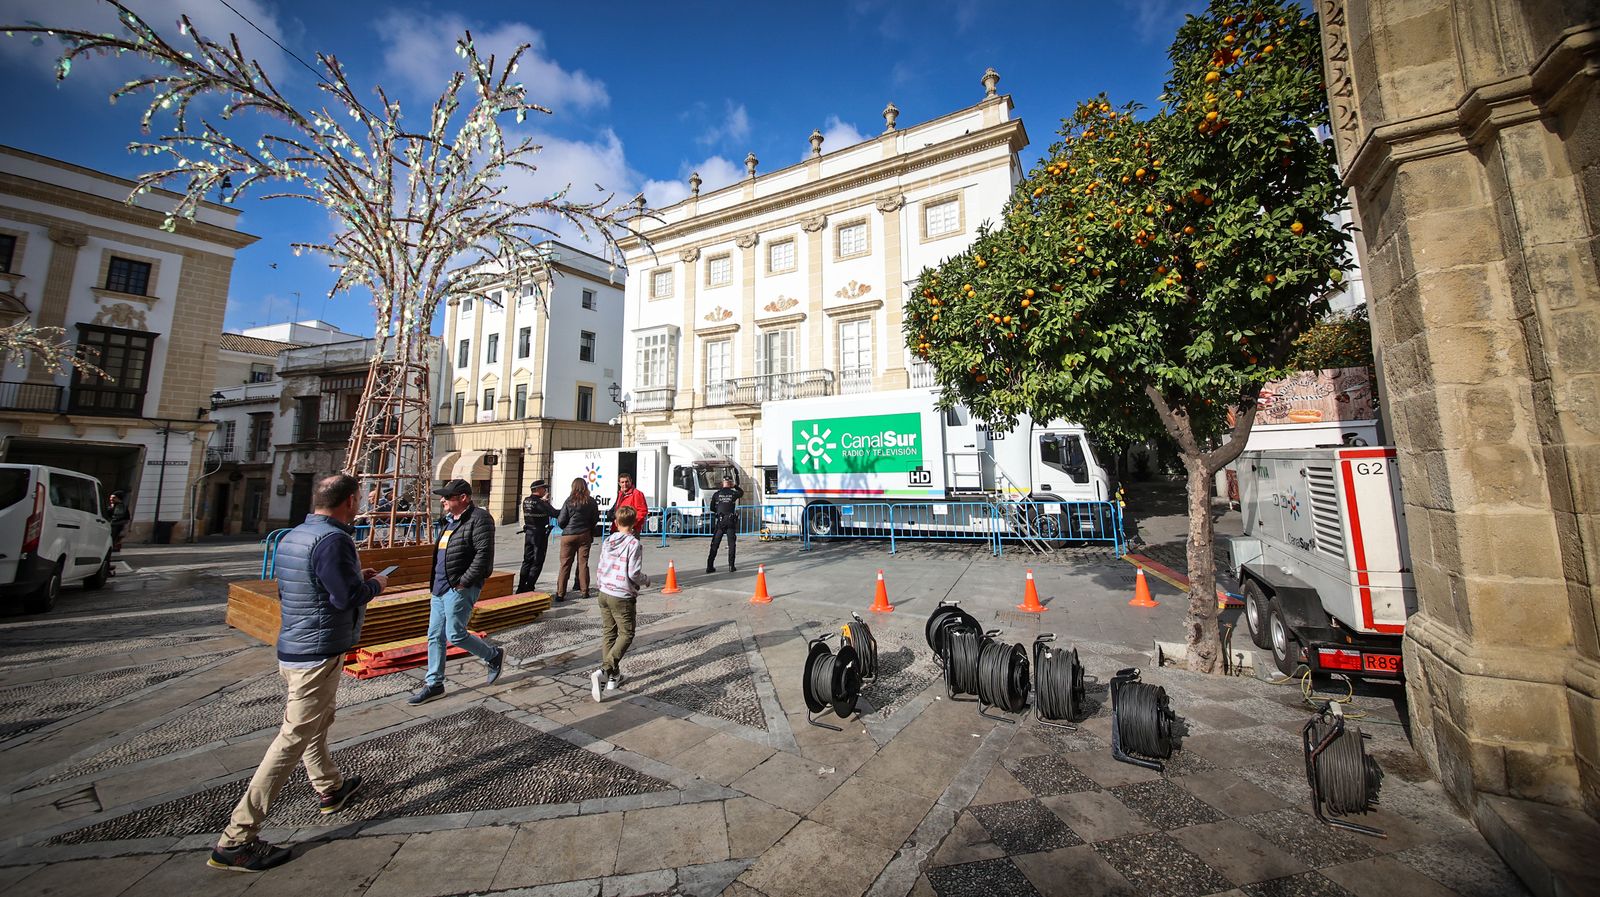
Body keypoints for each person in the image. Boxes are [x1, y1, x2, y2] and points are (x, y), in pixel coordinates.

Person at [209, 473, 390, 873]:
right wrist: (375, 585)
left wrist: (353, 579)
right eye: (359, 497)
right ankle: (237, 838)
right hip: (317, 651)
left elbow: (303, 587)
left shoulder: (294, 536)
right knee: (292, 738)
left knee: (317, 722)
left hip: (294, 644)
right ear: (350, 501)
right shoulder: (334, 540)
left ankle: (330, 787)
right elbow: (345, 598)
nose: (360, 503)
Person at [407, 479, 504, 705]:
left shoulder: (479, 518)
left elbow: (483, 556)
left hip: (459, 587)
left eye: (448, 497)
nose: (443, 500)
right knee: (434, 635)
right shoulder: (449, 521)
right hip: (440, 587)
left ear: (463, 498)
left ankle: (493, 655)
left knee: (455, 634)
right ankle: (434, 683)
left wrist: (464, 582)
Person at [591, 504, 651, 702]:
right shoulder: (634, 544)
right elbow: (633, 573)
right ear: (634, 524)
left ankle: (612, 676)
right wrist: (645, 580)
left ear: (616, 522)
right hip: (621, 594)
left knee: (609, 633)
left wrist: (601, 584)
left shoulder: (608, 541)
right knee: (626, 633)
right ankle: (605, 670)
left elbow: (601, 565)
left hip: (604, 591)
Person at [554, 478, 599, 602]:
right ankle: (584, 591)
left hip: (568, 535)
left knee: (565, 564)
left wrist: (567, 527)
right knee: (583, 563)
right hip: (584, 534)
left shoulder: (569, 501)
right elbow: (595, 519)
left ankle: (560, 593)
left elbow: (561, 521)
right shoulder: (591, 501)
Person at [517, 480, 557, 593]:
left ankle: (520, 587)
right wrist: (545, 503)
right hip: (539, 535)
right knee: (537, 561)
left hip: (529, 533)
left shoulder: (526, 500)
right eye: (544, 488)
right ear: (538, 489)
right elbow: (554, 513)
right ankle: (529, 587)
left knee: (527, 561)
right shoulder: (540, 502)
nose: (545, 491)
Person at [705, 475, 744, 573]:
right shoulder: (733, 493)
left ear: (722, 483)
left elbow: (712, 508)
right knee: (731, 544)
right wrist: (735, 486)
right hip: (730, 521)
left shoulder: (717, 494)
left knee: (715, 544)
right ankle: (731, 566)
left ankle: (709, 566)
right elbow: (741, 492)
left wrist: (719, 511)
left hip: (720, 521)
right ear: (730, 484)